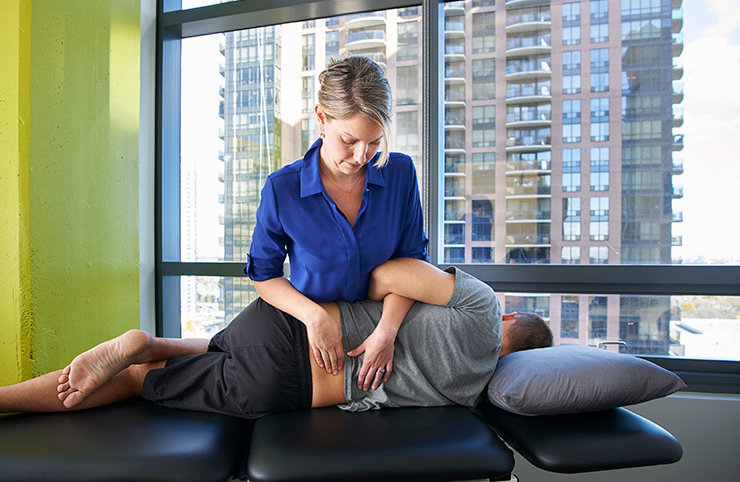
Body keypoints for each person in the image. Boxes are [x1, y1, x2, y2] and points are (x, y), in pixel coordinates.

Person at [0, 259, 552, 417]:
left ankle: (151, 343)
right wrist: (387, 343)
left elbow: (387, 275)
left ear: (510, 321)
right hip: (294, 383)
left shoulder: (482, 305)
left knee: (213, 348)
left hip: (283, 321)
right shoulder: (473, 394)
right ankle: (142, 356)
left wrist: (386, 329)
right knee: (140, 382)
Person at [246, 56, 429, 389]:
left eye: (374, 142)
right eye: (349, 141)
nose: (362, 156)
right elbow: (264, 275)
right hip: (304, 331)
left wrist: (386, 333)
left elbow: (413, 262)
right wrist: (314, 317)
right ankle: (145, 348)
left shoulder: (401, 173)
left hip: (383, 332)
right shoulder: (282, 189)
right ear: (321, 118)